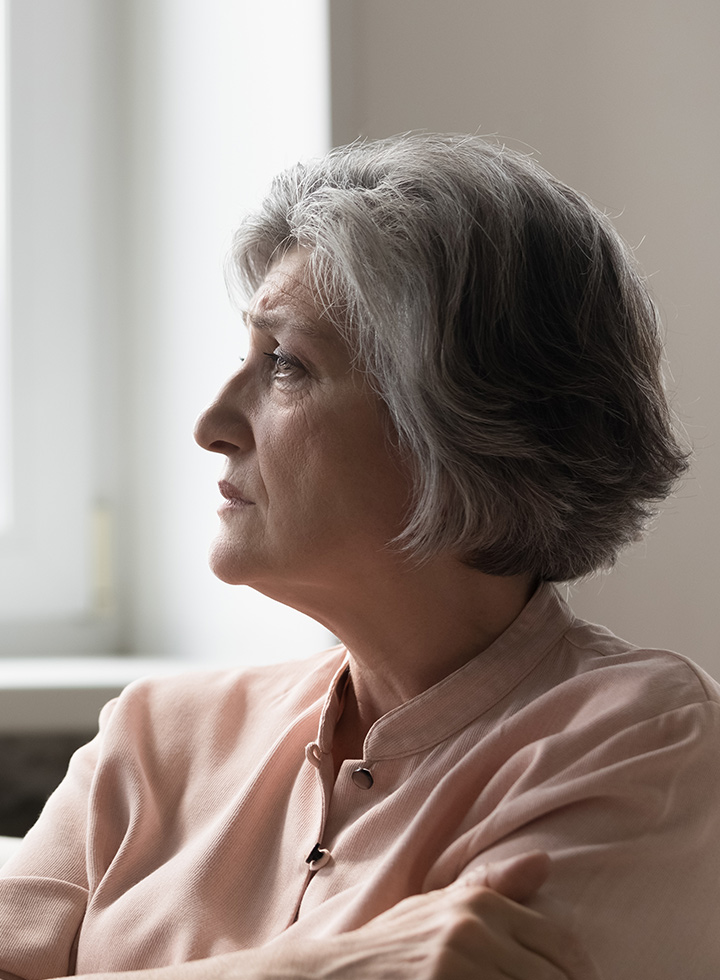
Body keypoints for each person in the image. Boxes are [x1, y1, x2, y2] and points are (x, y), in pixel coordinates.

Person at [1, 134, 718, 980]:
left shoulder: (639, 737)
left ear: (460, 426)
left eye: (286, 365)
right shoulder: (155, 736)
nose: (211, 424)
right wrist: (311, 971)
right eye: (246, 355)